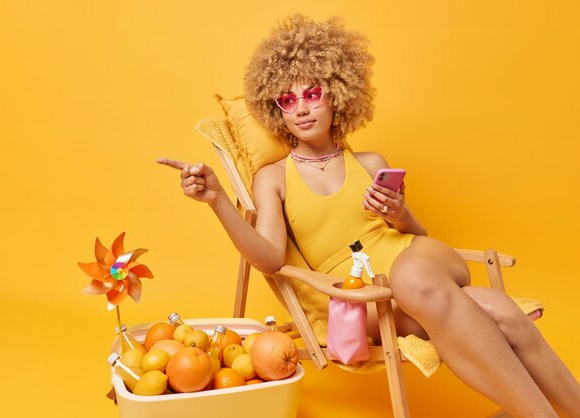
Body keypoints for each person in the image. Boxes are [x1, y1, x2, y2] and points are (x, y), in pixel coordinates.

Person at [158, 14, 580, 417]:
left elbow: (419, 234)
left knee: (415, 278)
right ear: (278, 113)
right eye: (288, 100)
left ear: (338, 96)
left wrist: (400, 215)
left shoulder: (372, 160)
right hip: (373, 301)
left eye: (312, 93)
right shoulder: (273, 178)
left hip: (420, 263)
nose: (301, 108)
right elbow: (269, 259)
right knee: (501, 312)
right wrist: (217, 201)